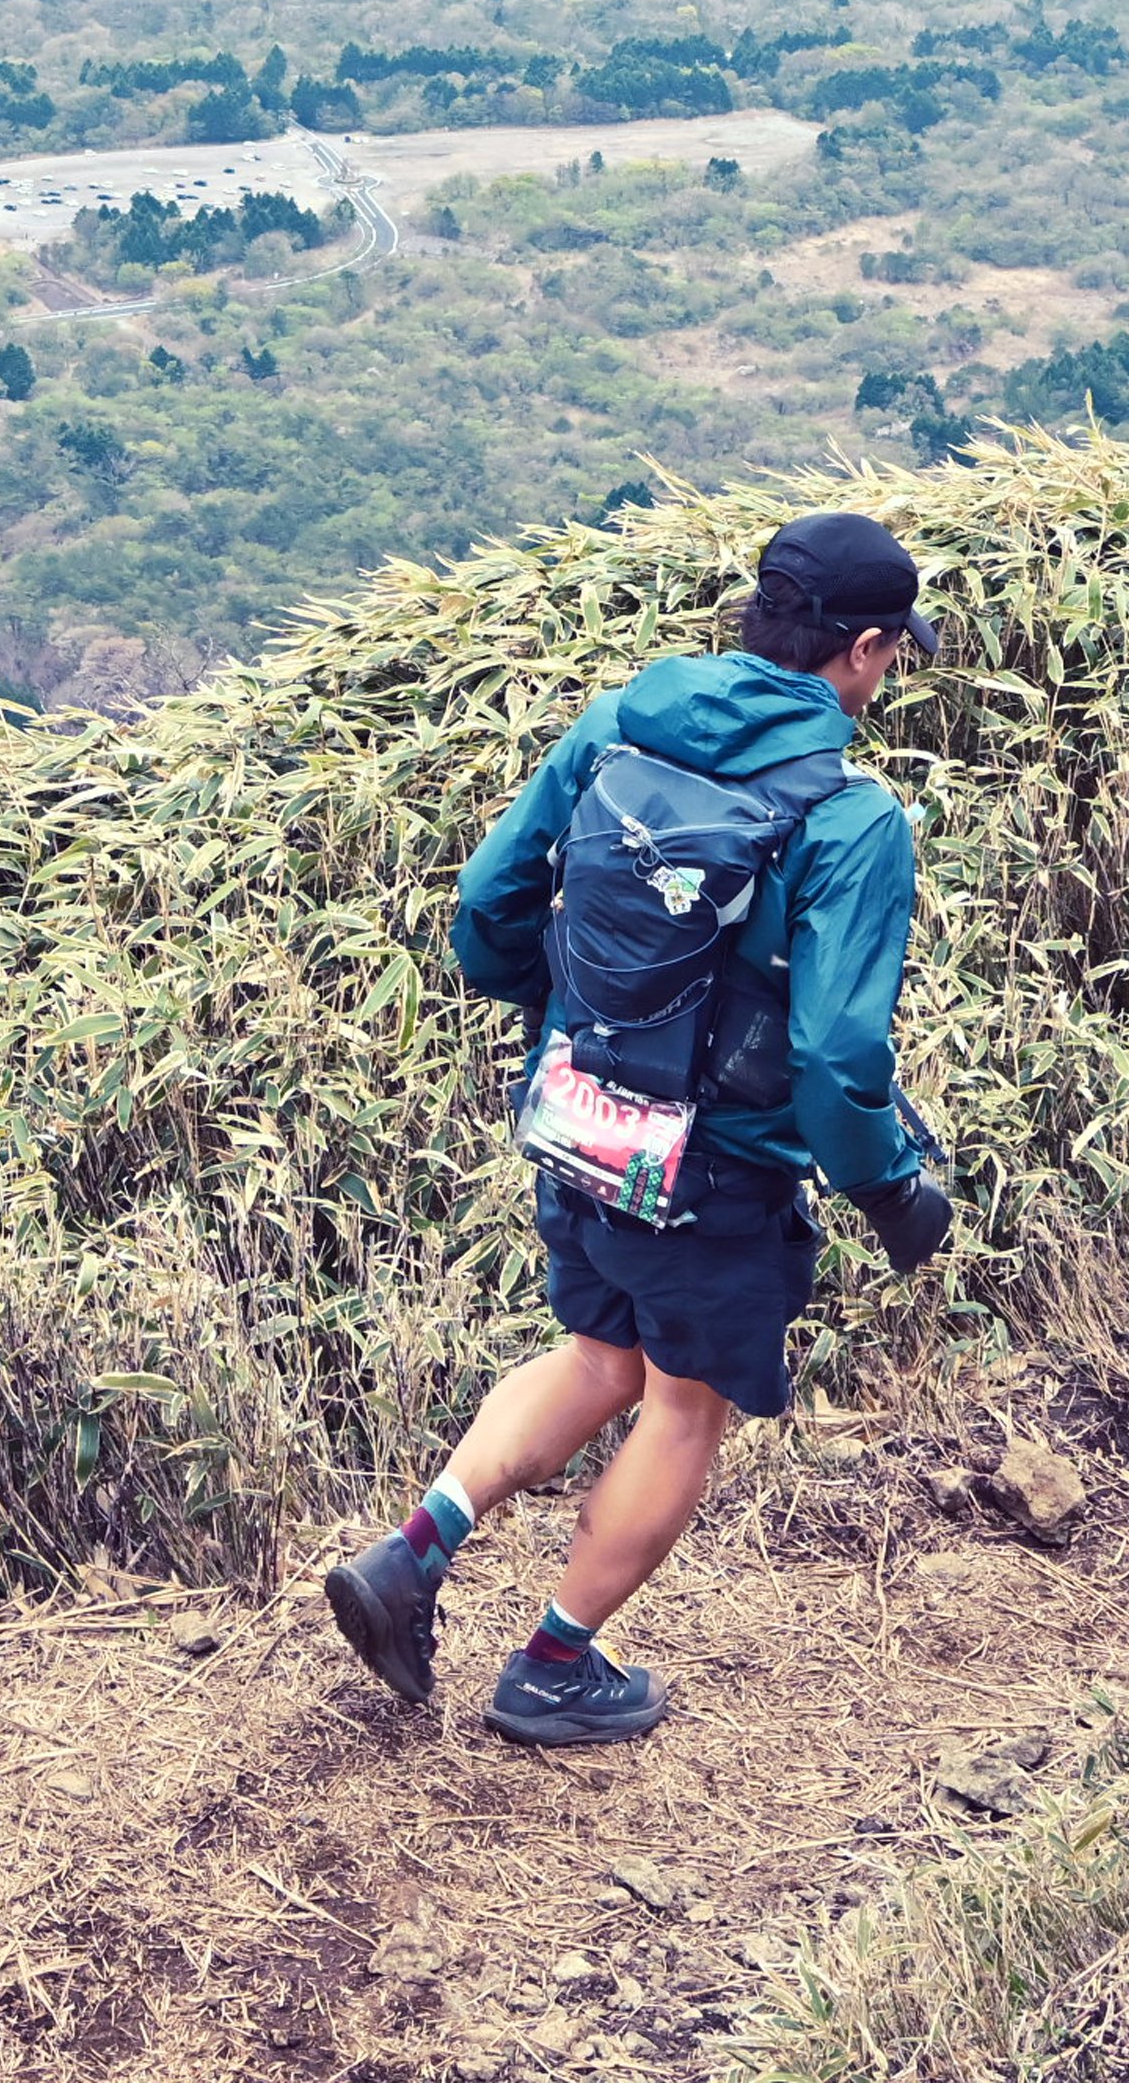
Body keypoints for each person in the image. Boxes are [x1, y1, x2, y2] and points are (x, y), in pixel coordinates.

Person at [325, 511, 954, 1748]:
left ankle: (411, 1556)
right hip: (713, 1168)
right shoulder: (851, 818)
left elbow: (486, 903)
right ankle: (556, 1664)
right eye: (894, 654)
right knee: (682, 1402)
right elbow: (835, 1054)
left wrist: (567, 1024)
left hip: (575, 1116)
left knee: (598, 1354)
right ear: (867, 648)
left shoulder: (623, 720)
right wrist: (891, 1191)